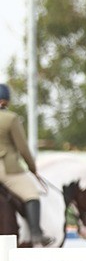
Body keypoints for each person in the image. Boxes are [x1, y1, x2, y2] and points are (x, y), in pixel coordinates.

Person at [0, 83, 51, 246]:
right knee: (31, 194)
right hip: (6, 168)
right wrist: (32, 168)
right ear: (4, 102)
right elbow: (23, 148)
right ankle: (36, 234)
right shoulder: (10, 118)